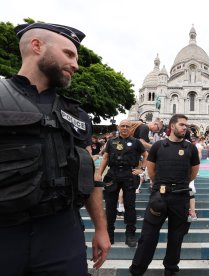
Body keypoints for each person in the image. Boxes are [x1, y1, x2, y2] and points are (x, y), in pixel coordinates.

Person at [0, 23, 111, 275]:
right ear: (37, 46)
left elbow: (88, 172)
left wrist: (101, 229)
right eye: (69, 54)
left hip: (61, 233)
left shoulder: (77, 113)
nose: (76, 65)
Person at [129, 114, 200, 276]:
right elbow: (151, 171)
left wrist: (179, 183)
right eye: (182, 124)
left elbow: (193, 173)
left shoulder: (191, 148)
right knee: (147, 237)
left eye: (186, 125)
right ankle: (137, 270)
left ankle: (170, 270)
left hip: (181, 197)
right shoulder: (158, 146)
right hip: (159, 197)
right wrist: (162, 184)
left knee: (176, 238)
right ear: (172, 126)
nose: (185, 128)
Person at [95, 119, 147, 247]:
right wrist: (99, 174)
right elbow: (105, 158)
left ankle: (130, 235)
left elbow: (146, 155)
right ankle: (109, 235)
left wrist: (142, 169)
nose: (124, 128)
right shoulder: (111, 141)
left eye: (127, 126)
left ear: (131, 129)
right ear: (119, 127)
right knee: (110, 207)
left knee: (130, 207)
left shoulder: (136, 142)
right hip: (112, 175)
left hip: (129, 176)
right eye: (122, 126)